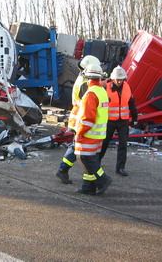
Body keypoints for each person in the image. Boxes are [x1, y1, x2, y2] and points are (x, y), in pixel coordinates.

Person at [56, 55, 101, 184]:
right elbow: (88, 104)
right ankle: (62, 169)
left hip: (78, 118)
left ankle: (64, 169)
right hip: (80, 120)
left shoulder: (82, 79)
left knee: (76, 148)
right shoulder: (84, 84)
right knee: (77, 148)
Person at [74, 63, 112, 195]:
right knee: (91, 158)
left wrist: (80, 133)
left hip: (89, 133)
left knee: (85, 158)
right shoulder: (101, 91)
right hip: (98, 134)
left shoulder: (91, 94)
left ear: (88, 78)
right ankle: (88, 187)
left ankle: (103, 179)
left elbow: (87, 117)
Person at [98, 66, 138, 176]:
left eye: (121, 79)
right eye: (117, 79)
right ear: (113, 78)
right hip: (109, 120)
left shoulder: (127, 87)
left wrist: (135, 118)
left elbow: (131, 103)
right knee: (104, 142)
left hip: (123, 121)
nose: (119, 81)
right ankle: (97, 162)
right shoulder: (105, 87)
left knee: (123, 144)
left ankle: (120, 167)